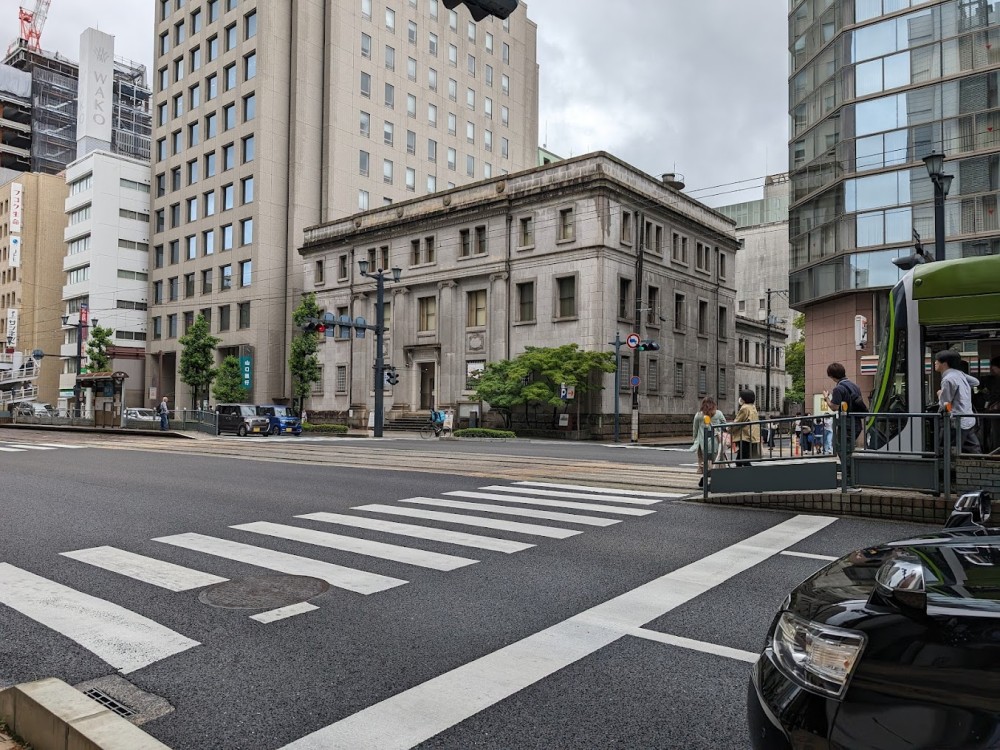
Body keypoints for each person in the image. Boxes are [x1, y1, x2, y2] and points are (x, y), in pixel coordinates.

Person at [934, 350, 981, 454]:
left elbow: (945, 403)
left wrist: (940, 394)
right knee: (973, 449)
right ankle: (980, 463)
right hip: (968, 419)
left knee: (948, 452)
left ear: (945, 363)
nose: (935, 363)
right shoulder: (959, 374)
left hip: (955, 422)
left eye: (937, 361)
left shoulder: (948, 379)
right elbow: (976, 382)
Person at [688, 396, 727, 488]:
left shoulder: (698, 415)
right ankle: (715, 479)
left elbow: (695, 430)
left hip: (703, 444)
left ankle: (704, 478)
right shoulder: (718, 414)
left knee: (705, 462)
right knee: (716, 462)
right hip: (716, 443)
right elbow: (724, 425)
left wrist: (695, 441)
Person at [729, 389, 761, 466]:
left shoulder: (744, 408)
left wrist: (729, 429)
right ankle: (743, 470)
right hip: (752, 434)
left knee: (742, 458)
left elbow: (738, 421)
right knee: (743, 456)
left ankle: (747, 471)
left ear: (744, 399)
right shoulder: (753, 407)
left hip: (744, 435)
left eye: (741, 397)